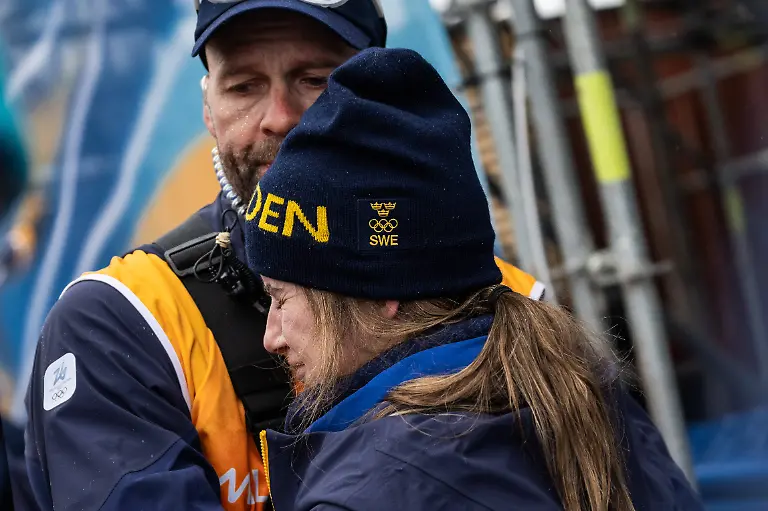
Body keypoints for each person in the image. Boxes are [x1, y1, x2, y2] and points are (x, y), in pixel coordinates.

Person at [22, 2, 543, 511]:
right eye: (243, 87)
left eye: (315, 79)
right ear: (208, 107)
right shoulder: (123, 323)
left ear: (381, 95)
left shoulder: (512, 302)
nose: (280, 118)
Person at [245, 48, 704, 510]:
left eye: (280, 299)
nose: (272, 337)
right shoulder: (583, 393)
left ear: (380, 289)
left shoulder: (366, 493)